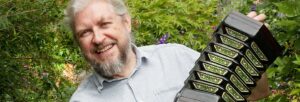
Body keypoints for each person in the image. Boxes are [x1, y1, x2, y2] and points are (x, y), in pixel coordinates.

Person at [65, 0, 270, 101]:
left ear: (126, 22)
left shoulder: (176, 57)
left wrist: (248, 49)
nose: (98, 38)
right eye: (85, 33)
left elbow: (257, 93)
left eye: (104, 24)